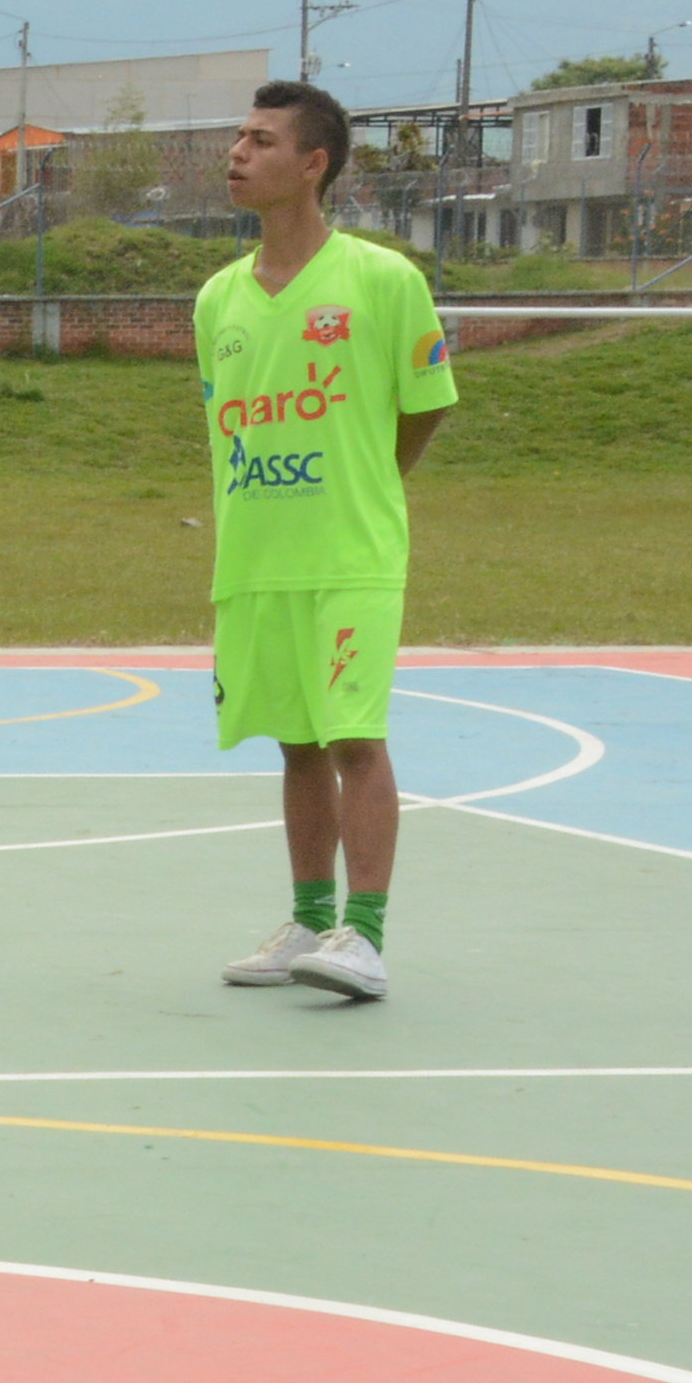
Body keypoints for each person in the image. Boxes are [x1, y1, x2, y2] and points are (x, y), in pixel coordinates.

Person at [201, 82, 456, 1003]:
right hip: (258, 560)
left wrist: (362, 490)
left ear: (313, 165)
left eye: (260, 140)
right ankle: (310, 919)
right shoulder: (217, 299)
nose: (237, 152)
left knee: (355, 738)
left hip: (352, 555)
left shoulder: (384, 281)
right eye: (237, 136)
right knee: (296, 745)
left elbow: (422, 415)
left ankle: (366, 936)